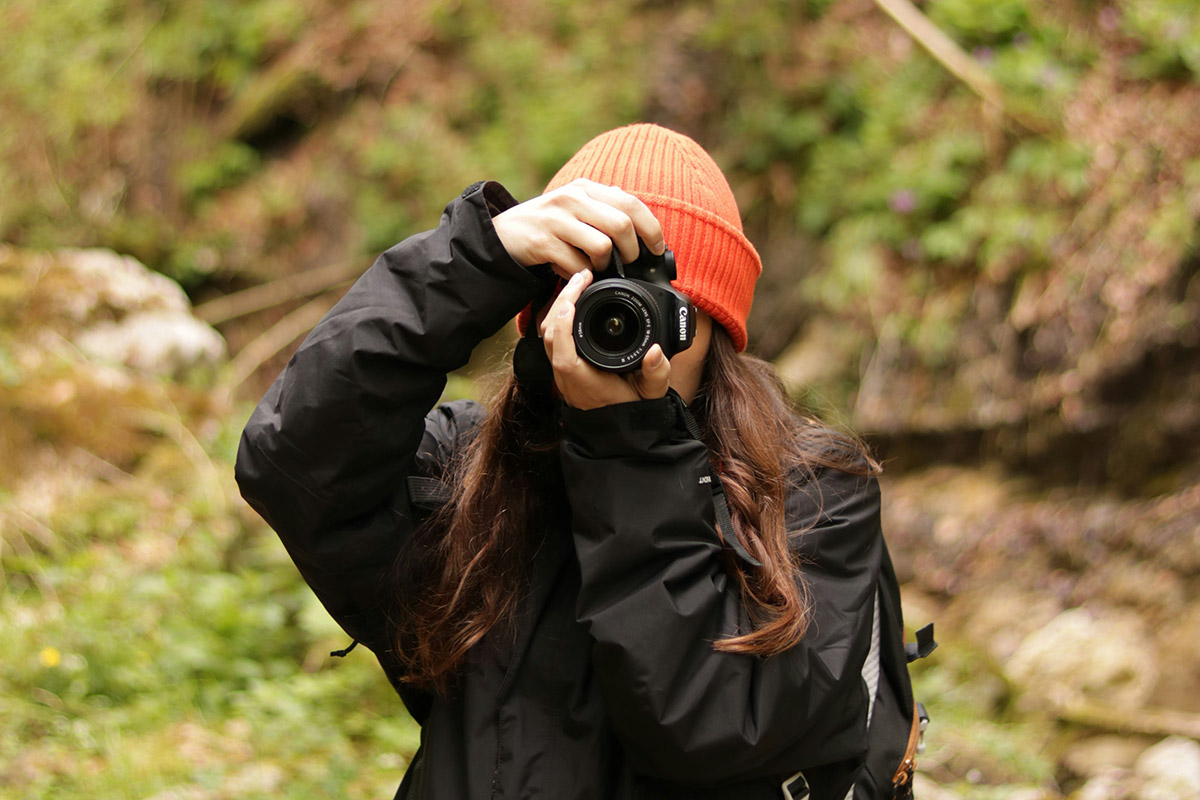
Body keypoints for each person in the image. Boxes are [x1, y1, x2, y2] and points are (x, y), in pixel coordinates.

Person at [236, 124, 921, 800]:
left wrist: (631, 448)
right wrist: (475, 258)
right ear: (541, 313)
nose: (621, 325)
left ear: (714, 331)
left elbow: (712, 731)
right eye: (590, 294)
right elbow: (294, 458)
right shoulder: (471, 474)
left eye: (655, 305)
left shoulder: (811, 494)